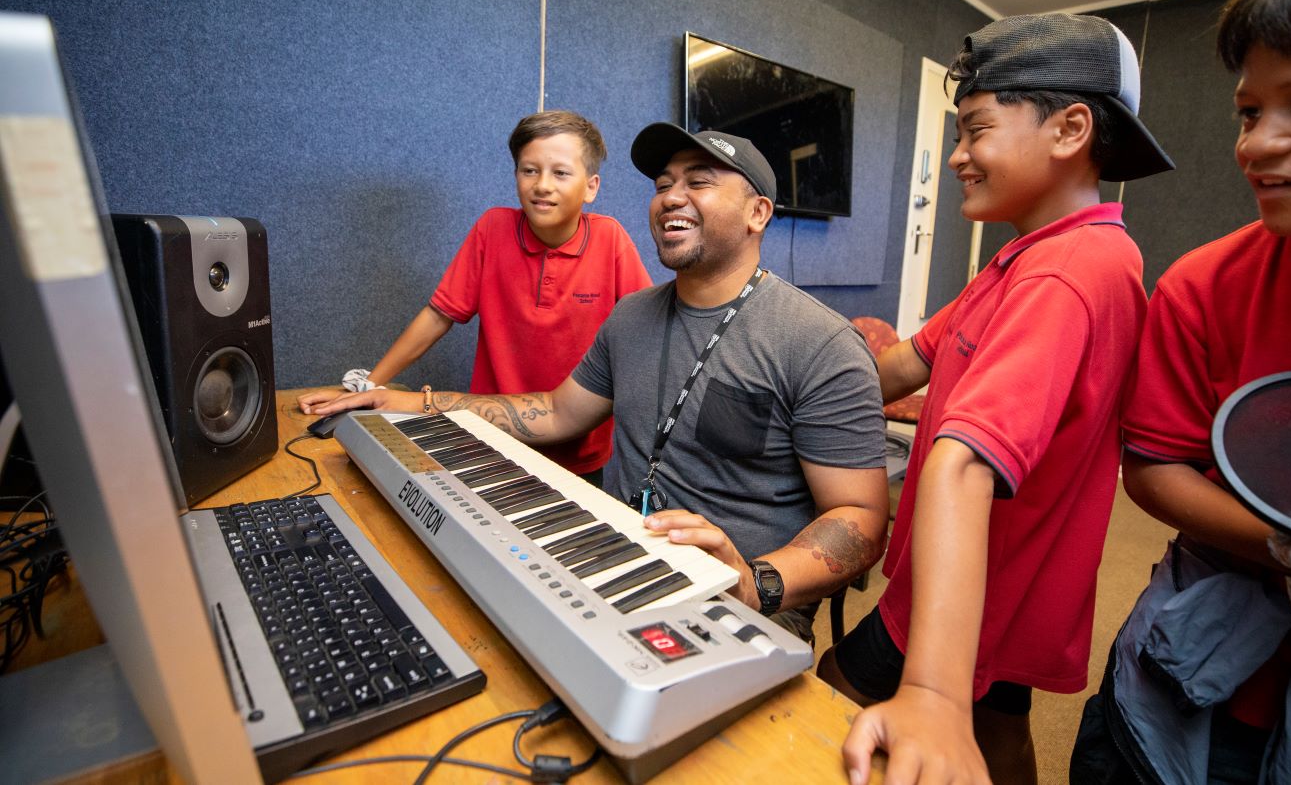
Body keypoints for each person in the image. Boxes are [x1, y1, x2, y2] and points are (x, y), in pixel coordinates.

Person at [305, 123, 891, 638]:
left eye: (700, 181)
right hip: (607, 556)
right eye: (663, 184)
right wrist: (404, 400)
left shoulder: (821, 344)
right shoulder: (630, 318)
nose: (672, 198)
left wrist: (755, 581)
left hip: (741, 600)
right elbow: (555, 414)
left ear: (758, 212)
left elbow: (862, 520)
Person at [822, 13, 1175, 785]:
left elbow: (958, 461)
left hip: (965, 593)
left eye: (976, 131)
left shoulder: (1068, 272)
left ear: (1070, 128)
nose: (956, 157)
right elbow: (903, 364)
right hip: (1007, 587)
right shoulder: (1024, 260)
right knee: (1001, 721)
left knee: (831, 698)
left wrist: (930, 691)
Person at [1069, 0, 1291, 785]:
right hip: (1203, 659)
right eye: (1248, 112)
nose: (1260, 144)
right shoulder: (1205, 282)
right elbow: (1155, 464)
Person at [298, 110, 651, 481]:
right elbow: (438, 315)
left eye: (560, 173)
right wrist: (368, 387)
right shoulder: (492, 229)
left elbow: (645, 335)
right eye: (529, 170)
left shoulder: (611, 240)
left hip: (580, 453)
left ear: (591, 186)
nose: (542, 184)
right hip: (489, 435)